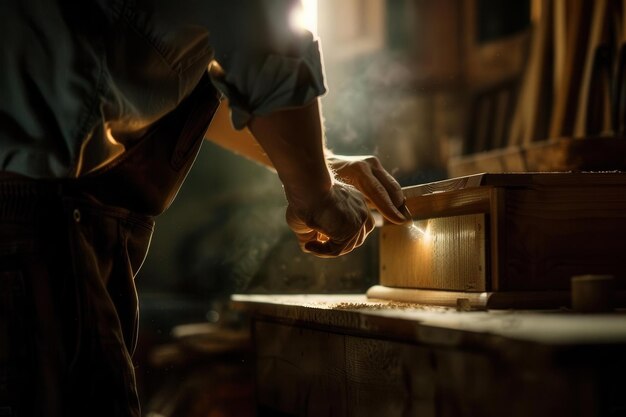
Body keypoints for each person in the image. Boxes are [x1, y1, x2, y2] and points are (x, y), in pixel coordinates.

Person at [0, 0, 409, 416]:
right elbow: (263, 29)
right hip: (28, 227)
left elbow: (186, 77)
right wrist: (316, 190)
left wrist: (323, 163)